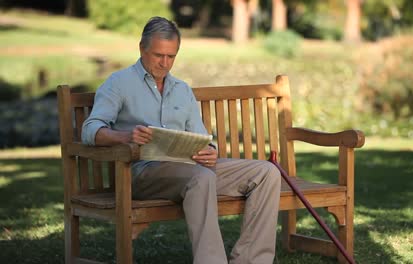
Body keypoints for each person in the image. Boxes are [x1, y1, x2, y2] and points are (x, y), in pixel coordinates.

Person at [82, 16, 281, 264]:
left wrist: (209, 149)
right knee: (202, 177)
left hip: (191, 169)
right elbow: (90, 130)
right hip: (142, 174)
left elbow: (199, 136)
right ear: (142, 49)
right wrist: (126, 136)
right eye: (158, 55)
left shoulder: (182, 89)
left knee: (266, 173)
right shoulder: (118, 83)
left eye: (171, 56)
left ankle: (251, 261)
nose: (165, 63)